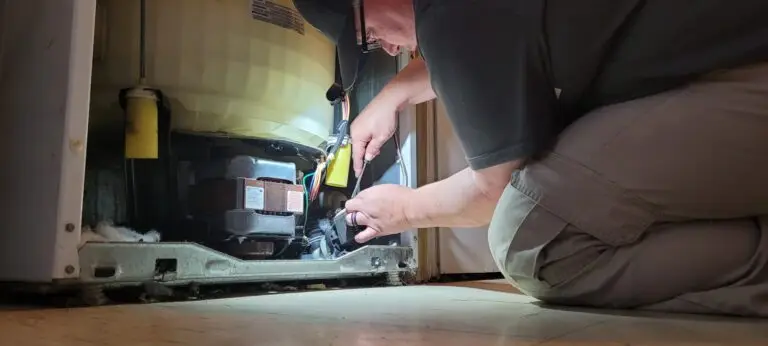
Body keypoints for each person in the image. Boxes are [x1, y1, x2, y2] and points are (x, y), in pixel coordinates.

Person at [293, 0, 768, 317]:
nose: (390, 47)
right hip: (738, 63)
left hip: (749, 81)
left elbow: (492, 190)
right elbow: (494, 44)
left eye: (371, 35)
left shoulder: (448, 16)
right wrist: (391, 97)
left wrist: (406, 209)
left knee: (533, 242)